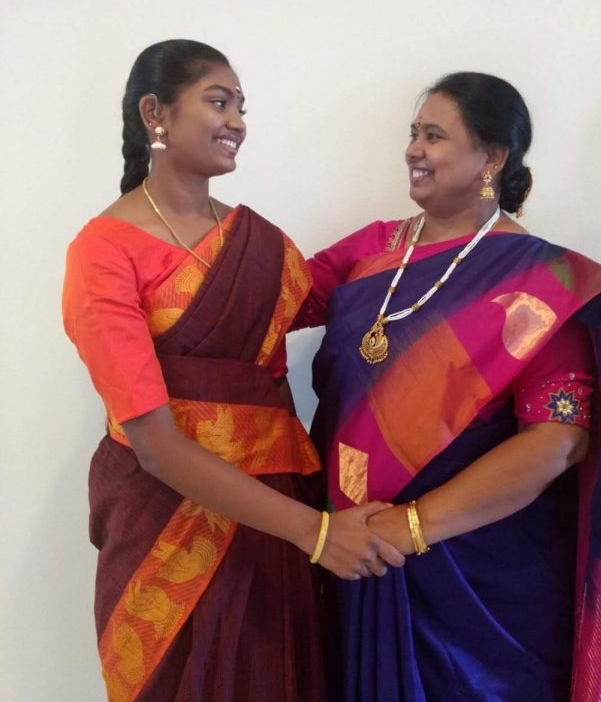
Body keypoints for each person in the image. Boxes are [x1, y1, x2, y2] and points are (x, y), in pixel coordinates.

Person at [298, 73, 601, 701]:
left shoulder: (541, 280)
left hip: (477, 578)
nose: (413, 149)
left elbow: (557, 442)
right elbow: (267, 304)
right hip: (357, 553)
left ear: (492, 157)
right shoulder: (374, 252)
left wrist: (410, 528)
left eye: (433, 136)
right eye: (413, 134)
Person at [62, 39, 404, 702]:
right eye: (218, 102)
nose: (238, 121)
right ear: (154, 113)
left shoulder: (260, 242)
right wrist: (317, 533)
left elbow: (331, 294)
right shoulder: (103, 251)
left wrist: (416, 241)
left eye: (242, 106)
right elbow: (156, 445)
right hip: (170, 523)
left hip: (275, 521)